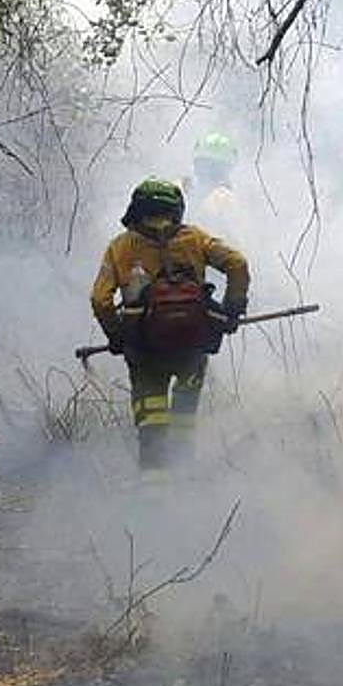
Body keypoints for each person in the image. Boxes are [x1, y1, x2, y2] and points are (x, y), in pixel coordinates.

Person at [91, 178, 249, 471]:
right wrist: (232, 311)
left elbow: (100, 299)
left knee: (152, 423)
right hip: (192, 347)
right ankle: (184, 479)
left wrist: (116, 336)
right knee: (184, 419)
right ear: (176, 210)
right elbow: (237, 263)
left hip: (144, 352)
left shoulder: (121, 247)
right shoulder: (195, 239)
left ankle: (155, 492)